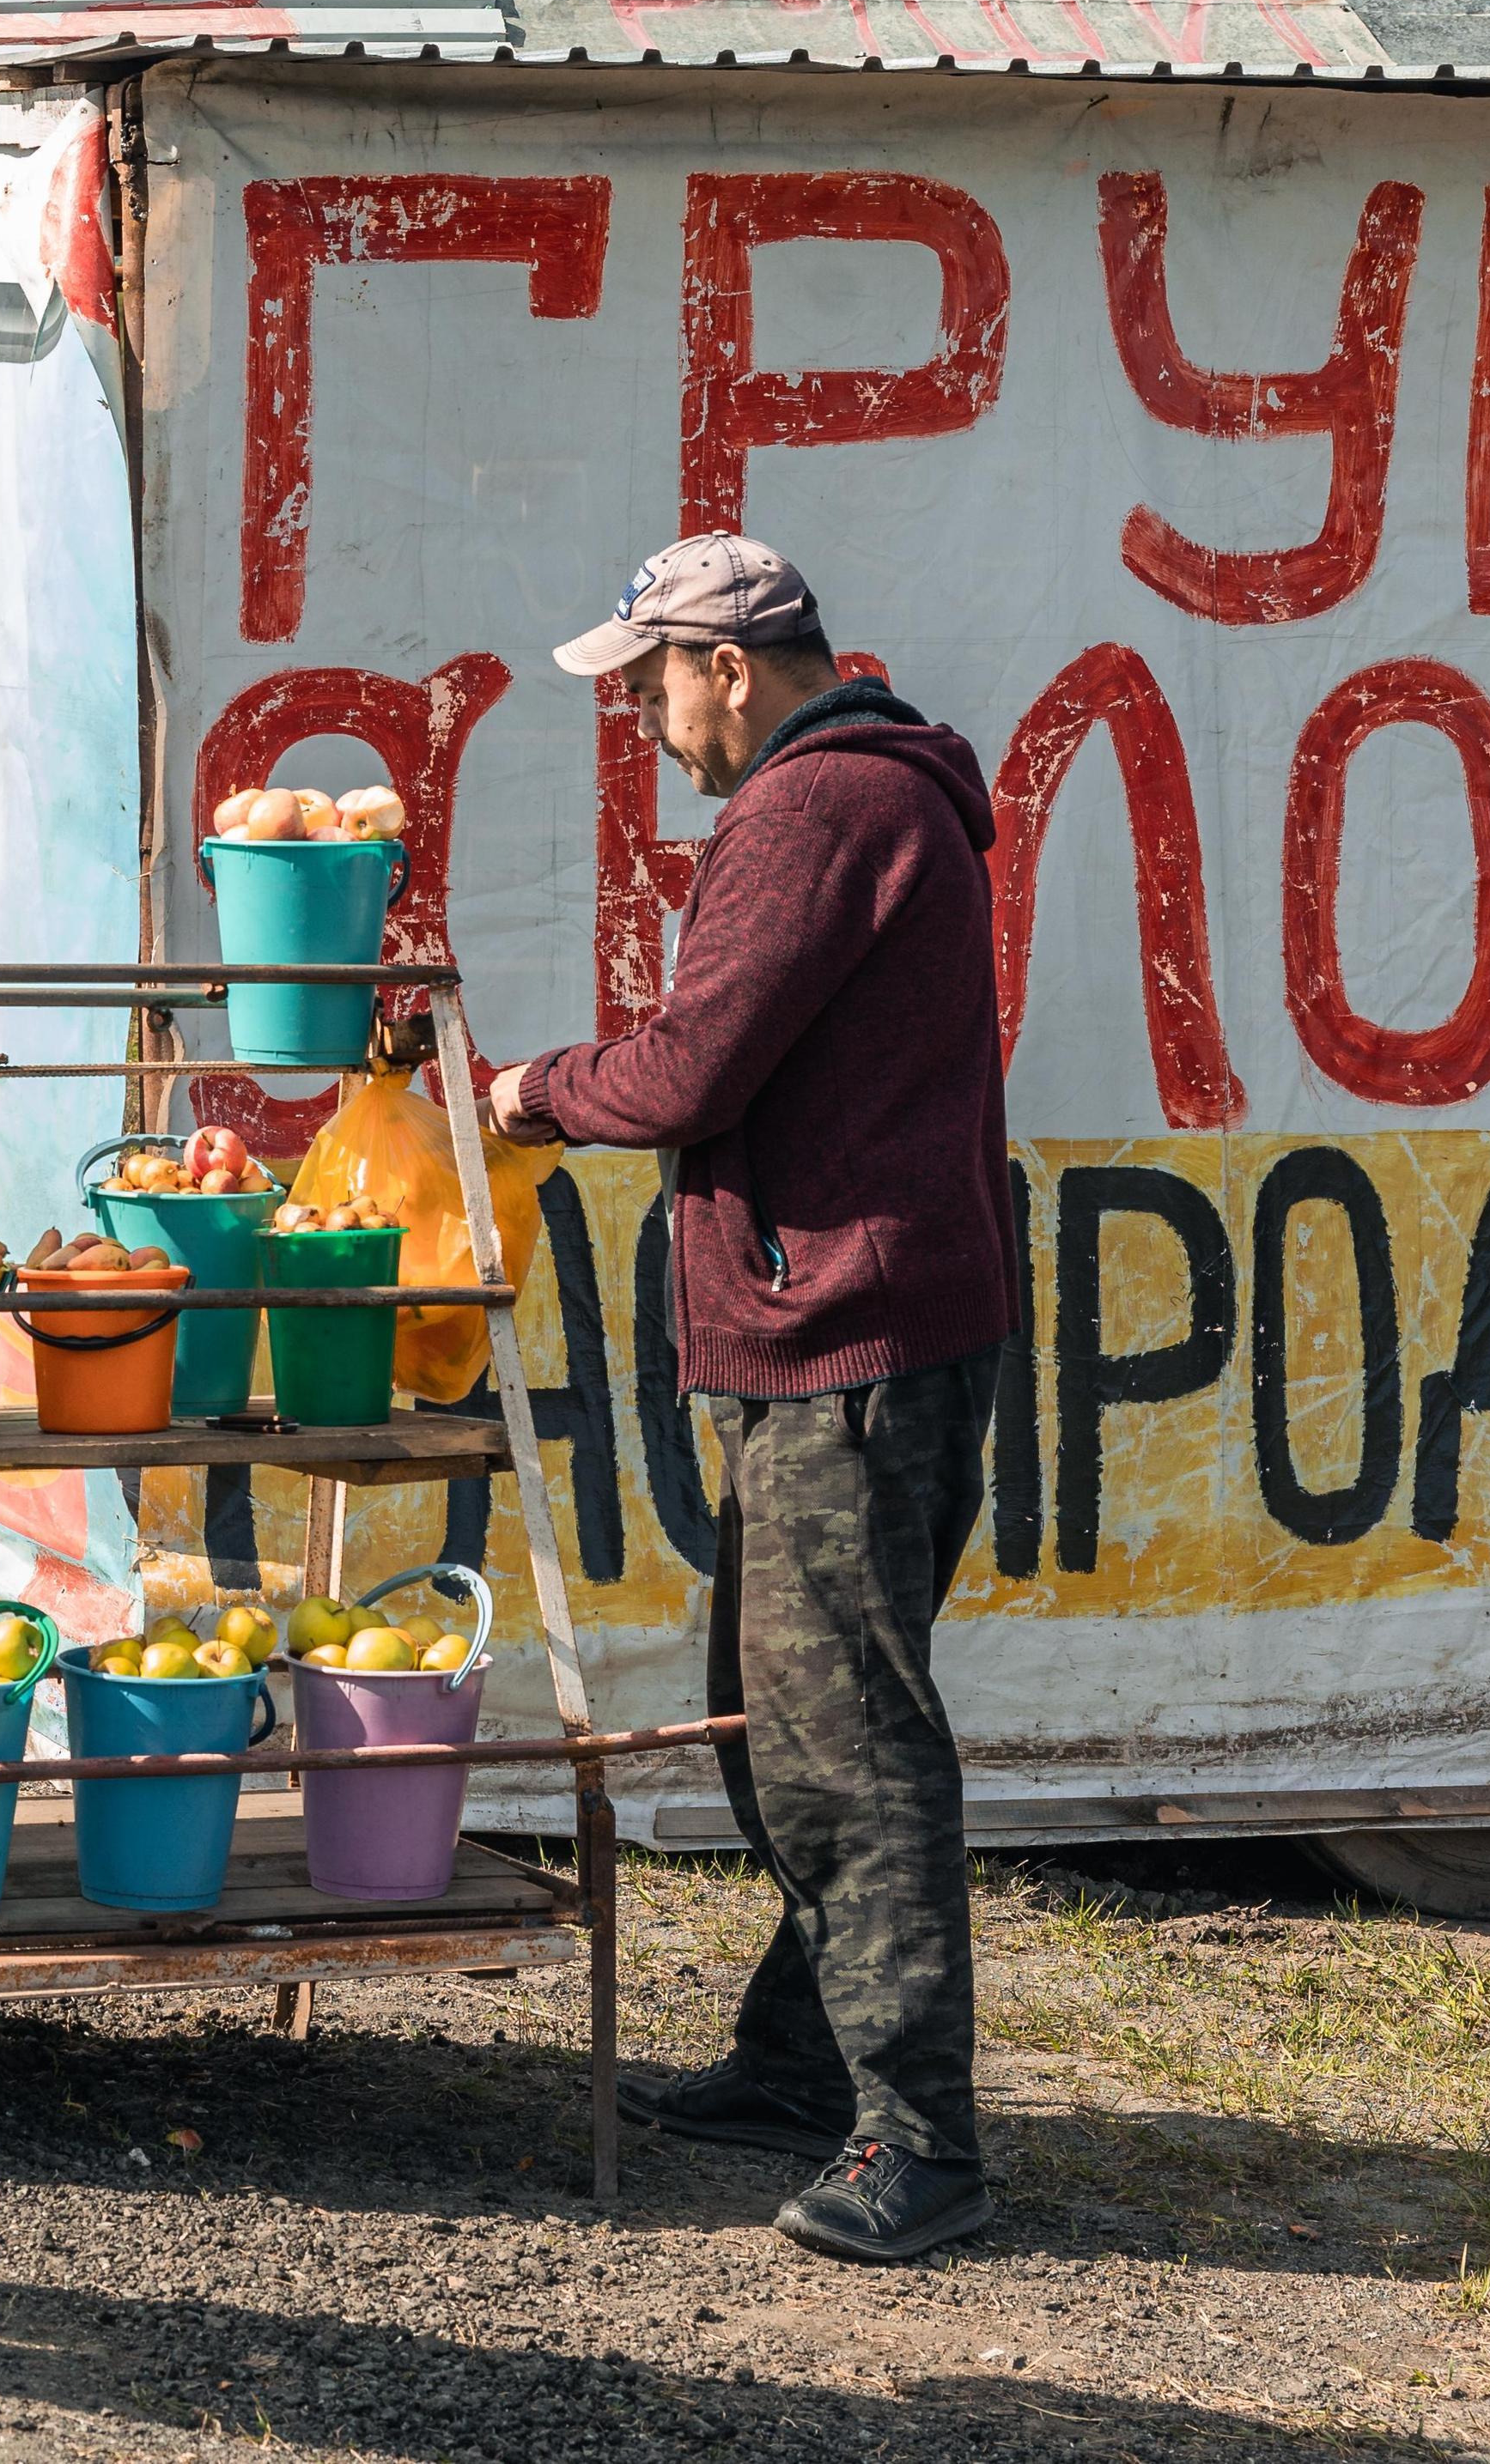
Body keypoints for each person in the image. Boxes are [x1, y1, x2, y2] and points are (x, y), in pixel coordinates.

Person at [487, 531, 1014, 2263]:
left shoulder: (809, 812)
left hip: (845, 1346)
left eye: (648, 681)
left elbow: (694, 1064)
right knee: (790, 1721)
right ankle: (799, 2066)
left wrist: (530, 1093)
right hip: (865, 1330)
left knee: (842, 1747)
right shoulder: (870, 792)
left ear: (729, 663)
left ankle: (919, 2146)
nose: (642, 717)